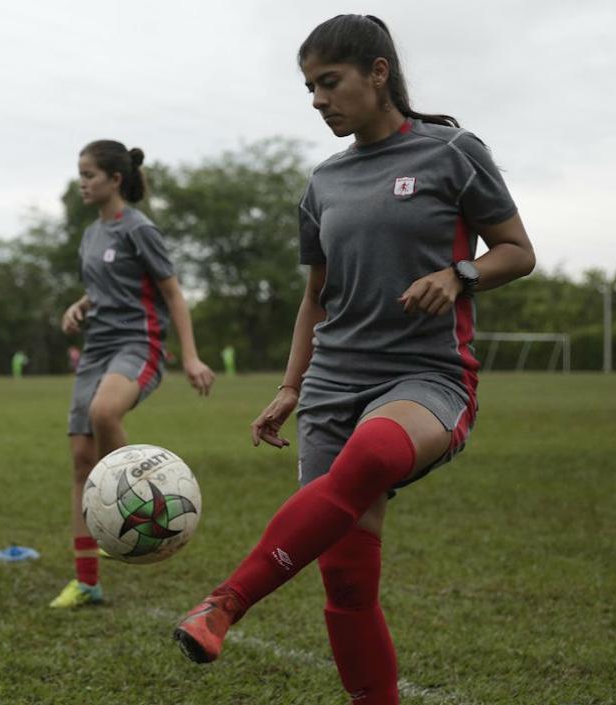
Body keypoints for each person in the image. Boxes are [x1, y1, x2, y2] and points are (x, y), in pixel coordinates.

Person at [171, 15, 537, 705]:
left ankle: (224, 604)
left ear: (378, 72)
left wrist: (460, 274)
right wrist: (290, 385)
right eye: (308, 88)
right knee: (345, 582)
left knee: (368, 455)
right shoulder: (323, 183)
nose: (317, 100)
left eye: (328, 82)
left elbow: (518, 250)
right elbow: (316, 296)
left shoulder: (453, 152)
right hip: (333, 383)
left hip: (426, 377)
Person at [51, 140, 216, 608]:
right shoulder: (91, 234)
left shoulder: (139, 229)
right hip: (97, 348)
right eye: (79, 173)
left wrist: (190, 357)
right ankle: (87, 581)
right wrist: (79, 306)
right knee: (82, 460)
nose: (81, 182)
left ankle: (140, 505)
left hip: (137, 344)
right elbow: (101, 287)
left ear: (115, 180)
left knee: (106, 412)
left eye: (89, 174)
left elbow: (173, 294)